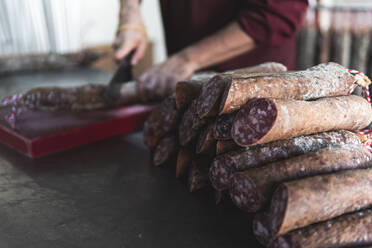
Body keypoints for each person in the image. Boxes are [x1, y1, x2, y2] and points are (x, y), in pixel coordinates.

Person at [114, 0, 308, 102]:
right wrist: (130, 12)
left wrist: (186, 60)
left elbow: (278, 13)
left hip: (254, 97)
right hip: (184, 86)